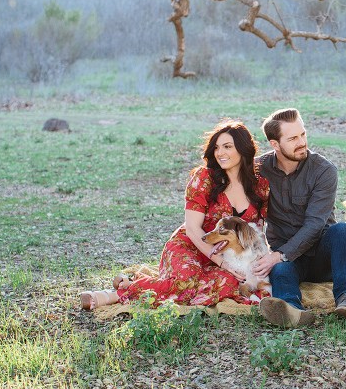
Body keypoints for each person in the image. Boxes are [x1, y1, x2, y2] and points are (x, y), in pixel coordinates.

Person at [79, 121, 270, 310]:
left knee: (229, 282)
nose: (220, 153)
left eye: (227, 147)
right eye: (217, 147)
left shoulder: (260, 186)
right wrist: (222, 263)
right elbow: (193, 229)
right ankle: (116, 294)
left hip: (228, 254)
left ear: (243, 149)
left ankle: (136, 283)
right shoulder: (204, 179)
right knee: (185, 285)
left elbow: (257, 233)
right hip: (190, 245)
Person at [251, 108, 346, 327]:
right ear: (275, 144)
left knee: (341, 229)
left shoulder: (324, 170)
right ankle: (293, 312)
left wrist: (278, 255)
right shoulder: (258, 169)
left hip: (323, 254)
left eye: (303, 134)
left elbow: (315, 225)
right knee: (280, 270)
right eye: (292, 138)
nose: (302, 142)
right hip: (289, 259)